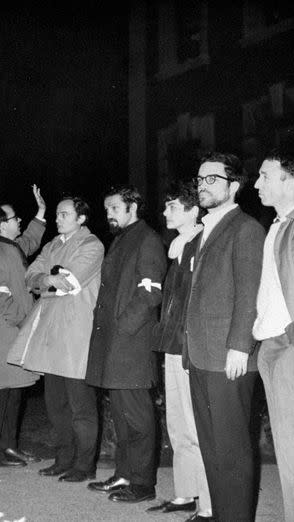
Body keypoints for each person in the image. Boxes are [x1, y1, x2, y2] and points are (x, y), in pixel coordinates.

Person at [185, 152, 264, 522]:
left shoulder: (245, 228)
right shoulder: (206, 229)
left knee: (231, 450)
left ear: (234, 186)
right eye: (200, 180)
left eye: (212, 179)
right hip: (201, 354)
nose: (203, 186)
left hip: (227, 356)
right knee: (212, 449)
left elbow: (249, 291)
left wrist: (239, 346)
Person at [8, 195, 103, 481]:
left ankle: (84, 466)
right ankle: (64, 459)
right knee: (56, 406)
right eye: (58, 214)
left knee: (81, 408)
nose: (57, 218)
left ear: (81, 218)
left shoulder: (91, 245)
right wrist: (49, 279)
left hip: (76, 336)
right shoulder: (52, 245)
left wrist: (45, 281)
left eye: (64, 214)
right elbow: (30, 276)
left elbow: (70, 283)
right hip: (51, 336)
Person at [86, 185, 166, 503]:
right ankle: (124, 475)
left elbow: (150, 292)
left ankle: (143, 483)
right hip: (114, 344)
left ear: (133, 207)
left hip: (129, 344)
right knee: (121, 416)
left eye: (115, 208)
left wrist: (122, 328)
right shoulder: (122, 239)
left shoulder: (146, 239)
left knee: (138, 417)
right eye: (107, 209)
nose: (109, 214)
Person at [147, 182, 212, 519]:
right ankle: (186, 493)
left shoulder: (201, 243)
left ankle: (209, 504)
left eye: (172, 206)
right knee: (178, 424)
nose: (165, 212)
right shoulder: (178, 246)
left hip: (191, 347)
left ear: (192, 211)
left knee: (195, 423)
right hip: (172, 344)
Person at [0, 185, 46, 467]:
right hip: (5, 332)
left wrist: (41, 214)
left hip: (17, 332)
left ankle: (8, 446)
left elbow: (30, 242)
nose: (19, 220)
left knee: (15, 391)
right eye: (15, 217)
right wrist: (25, 322)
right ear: (1, 224)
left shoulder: (11, 247)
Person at [253, 148, 294, 521]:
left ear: (288, 178)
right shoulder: (277, 225)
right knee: (286, 449)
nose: (256, 183)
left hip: (287, 345)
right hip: (272, 346)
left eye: (265, 175)